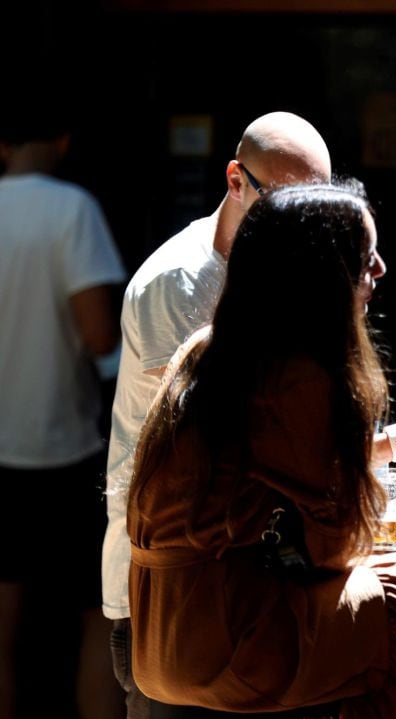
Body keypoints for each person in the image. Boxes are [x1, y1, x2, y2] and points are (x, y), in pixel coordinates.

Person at [127, 182, 396, 717]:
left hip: (160, 640)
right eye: (366, 258)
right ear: (320, 274)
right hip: (227, 647)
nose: (382, 270)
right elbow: (335, 548)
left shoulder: (210, 350)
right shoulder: (296, 375)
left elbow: (273, 457)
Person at [102, 111, 333, 718]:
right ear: (236, 180)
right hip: (169, 595)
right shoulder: (179, 283)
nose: (303, 224)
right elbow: (196, 454)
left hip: (242, 586)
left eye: (317, 206)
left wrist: (393, 442)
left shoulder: (281, 275)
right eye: (285, 201)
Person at [0, 104, 126, 718]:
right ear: (64, 137)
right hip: (64, 449)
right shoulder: (70, 209)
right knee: (97, 620)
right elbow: (101, 334)